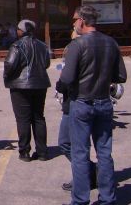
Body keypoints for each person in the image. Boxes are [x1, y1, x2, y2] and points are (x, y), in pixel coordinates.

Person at [59, 5, 127, 205]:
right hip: (104, 102)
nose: (73, 23)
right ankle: (108, 198)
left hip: (82, 102)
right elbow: (121, 75)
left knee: (80, 154)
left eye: (74, 19)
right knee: (104, 153)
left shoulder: (77, 45)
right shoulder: (111, 43)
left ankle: (80, 200)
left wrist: (61, 85)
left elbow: (68, 77)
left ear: (82, 20)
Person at [3, 19, 51, 162]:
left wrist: (7, 76)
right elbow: (47, 63)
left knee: (23, 119)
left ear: (22, 31)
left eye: (18, 29)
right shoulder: (43, 46)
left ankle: (24, 152)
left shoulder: (17, 46)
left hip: (20, 86)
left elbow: (9, 65)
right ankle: (42, 152)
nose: (17, 31)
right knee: (38, 117)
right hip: (40, 84)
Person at [56, 29, 97, 193]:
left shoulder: (76, 50)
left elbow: (64, 82)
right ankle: (88, 172)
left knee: (68, 143)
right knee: (73, 144)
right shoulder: (79, 49)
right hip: (80, 102)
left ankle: (84, 175)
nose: (72, 33)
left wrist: (62, 78)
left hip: (75, 103)